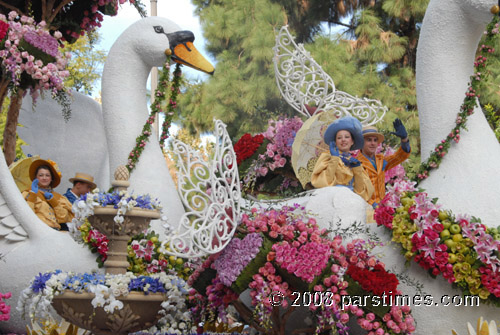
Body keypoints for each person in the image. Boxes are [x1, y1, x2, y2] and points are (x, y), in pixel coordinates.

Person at [311, 116, 374, 202]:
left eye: (347, 137)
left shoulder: (355, 162)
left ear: (352, 141)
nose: (343, 140)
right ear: (335, 142)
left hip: (351, 203)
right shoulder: (327, 157)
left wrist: (357, 169)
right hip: (332, 202)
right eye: (339, 138)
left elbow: (361, 193)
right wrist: (334, 159)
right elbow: (323, 183)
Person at [358, 118, 411, 207]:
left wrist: (404, 139)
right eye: (369, 140)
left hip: (383, 208)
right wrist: (372, 204)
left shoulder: (380, 160)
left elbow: (400, 156)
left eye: (375, 140)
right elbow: (356, 190)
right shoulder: (355, 163)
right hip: (365, 209)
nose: (373, 143)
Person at [22, 158, 74, 230]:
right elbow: (26, 214)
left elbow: (63, 218)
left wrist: (53, 201)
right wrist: (33, 195)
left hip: (56, 233)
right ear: (35, 178)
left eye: (47, 175)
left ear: (51, 178)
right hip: (38, 231)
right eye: (41, 175)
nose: (44, 178)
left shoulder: (58, 197)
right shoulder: (27, 193)